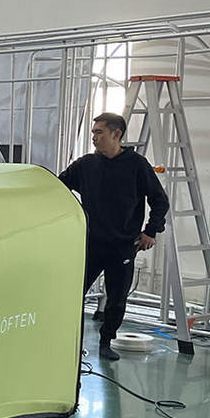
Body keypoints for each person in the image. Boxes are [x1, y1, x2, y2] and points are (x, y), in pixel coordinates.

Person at [59, 112, 169, 362]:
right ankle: (68, 341)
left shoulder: (136, 165)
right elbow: (58, 187)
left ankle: (106, 342)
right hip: (90, 243)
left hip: (123, 245)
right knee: (72, 294)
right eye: (93, 132)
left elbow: (160, 200)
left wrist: (151, 231)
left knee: (116, 299)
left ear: (116, 134)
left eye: (99, 132)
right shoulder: (85, 165)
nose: (94, 137)